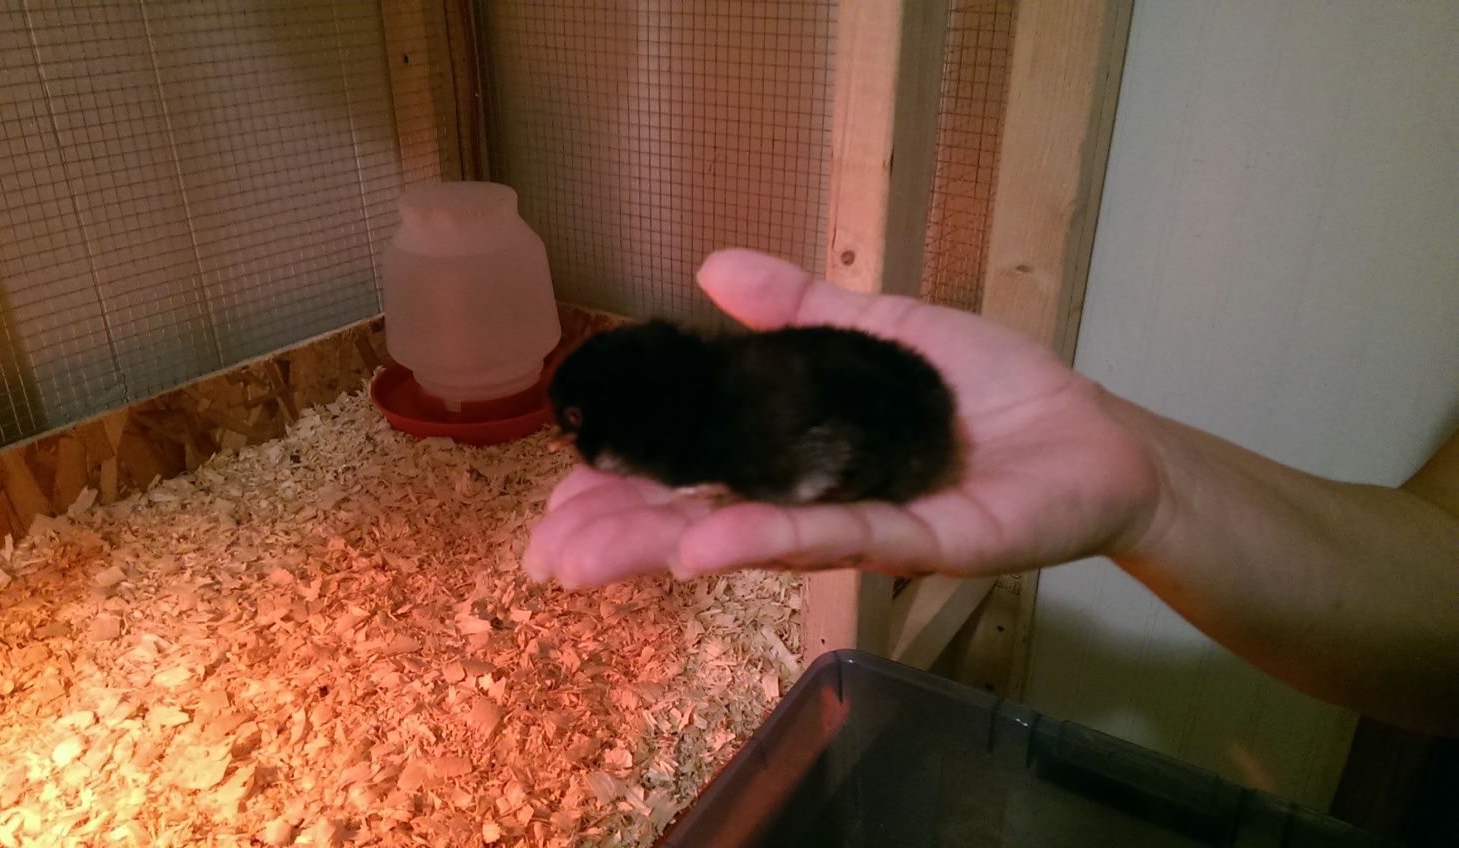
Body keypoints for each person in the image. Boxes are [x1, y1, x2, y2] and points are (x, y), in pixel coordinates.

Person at [523, 249, 1459, 736]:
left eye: (576, 430)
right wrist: (1156, 484)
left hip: (870, 432)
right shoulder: (741, 397)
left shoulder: (741, 423)